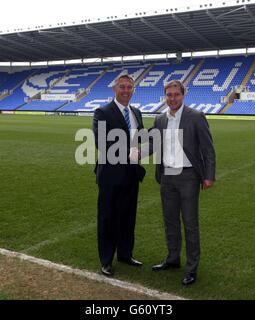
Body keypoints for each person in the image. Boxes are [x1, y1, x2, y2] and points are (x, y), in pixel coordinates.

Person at [146, 80, 216, 286]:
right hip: (167, 176)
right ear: (165, 96)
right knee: (170, 221)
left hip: (188, 178)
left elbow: (208, 149)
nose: (172, 98)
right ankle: (173, 258)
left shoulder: (196, 117)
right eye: (169, 94)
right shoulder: (160, 119)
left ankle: (192, 268)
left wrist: (209, 175)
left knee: (190, 224)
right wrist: (136, 151)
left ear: (183, 95)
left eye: (176, 94)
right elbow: (153, 143)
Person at [92, 74, 146, 277]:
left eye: (129, 87)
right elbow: (103, 143)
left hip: (131, 174)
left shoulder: (136, 112)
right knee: (107, 217)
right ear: (115, 89)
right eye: (122, 87)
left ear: (133, 90)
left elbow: (140, 138)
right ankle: (106, 260)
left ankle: (125, 254)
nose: (125, 91)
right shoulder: (102, 112)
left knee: (128, 216)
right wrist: (130, 152)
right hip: (111, 175)